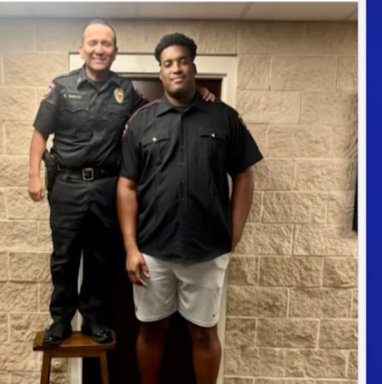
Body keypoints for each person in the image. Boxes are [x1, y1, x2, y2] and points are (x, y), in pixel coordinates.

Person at [28, 20, 215, 346]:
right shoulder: (61, 86)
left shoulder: (125, 91)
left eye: (106, 44)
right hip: (68, 185)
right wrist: (33, 175)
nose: (100, 49)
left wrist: (195, 93)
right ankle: (60, 320)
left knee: (101, 256)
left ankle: (92, 320)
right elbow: (40, 132)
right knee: (64, 256)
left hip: (107, 186)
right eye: (93, 43)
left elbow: (160, 109)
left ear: (115, 51)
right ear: (83, 48)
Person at [116, 33, 263, 384]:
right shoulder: (141, 122)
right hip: (153, 252)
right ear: (161, 72)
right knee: (151, 331)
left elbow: (243, 175)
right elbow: (127, 185)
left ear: (194, 66)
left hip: (207, 249)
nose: (176, 68)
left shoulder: (223, 117)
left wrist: (234, 231)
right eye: (168, 64)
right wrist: (130, 247)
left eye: (182, 61)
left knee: (203, 333)